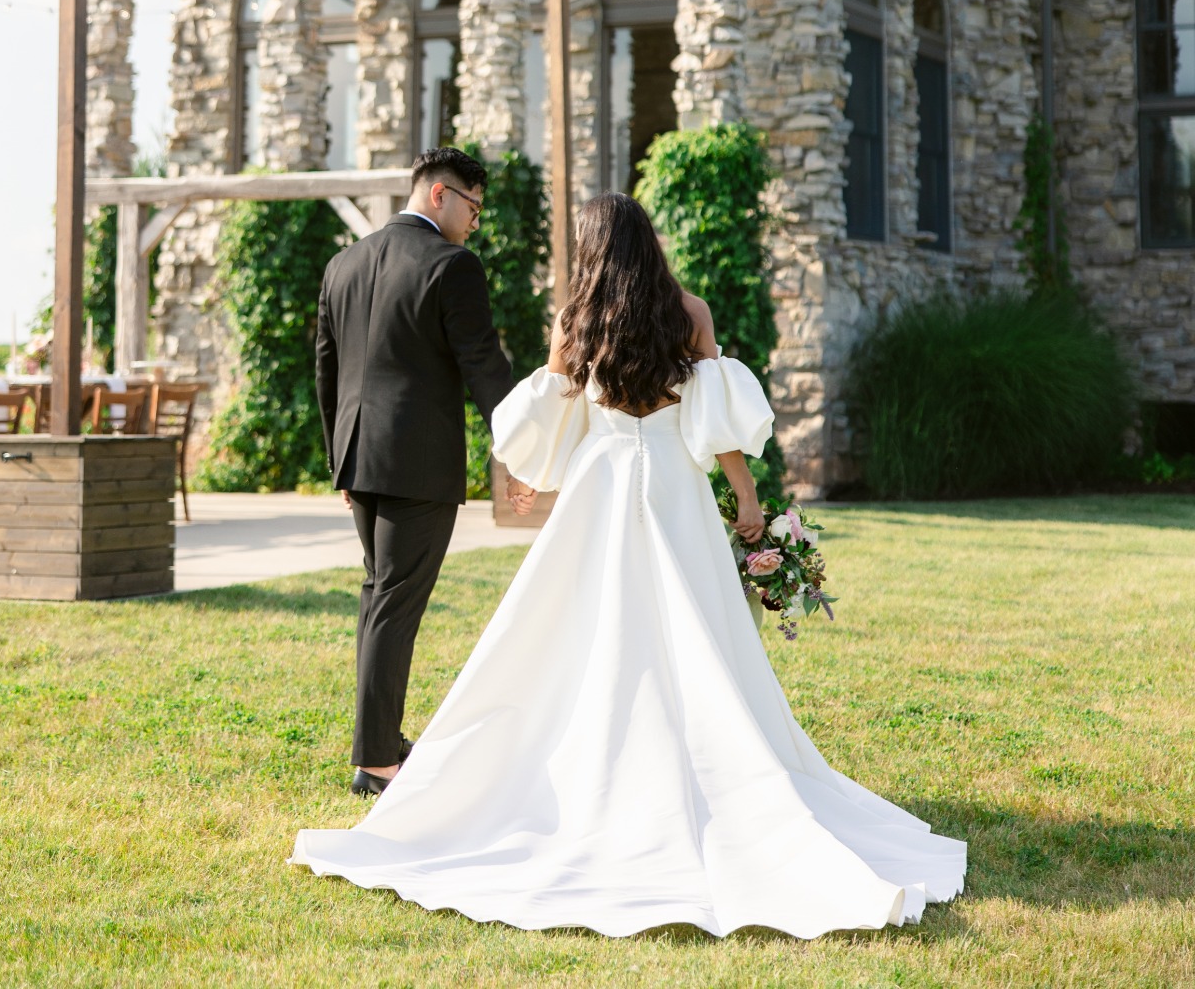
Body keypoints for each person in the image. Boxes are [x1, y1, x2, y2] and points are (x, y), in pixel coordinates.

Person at [294, 192, 966, 938]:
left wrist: (527, 471)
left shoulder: (576, 321)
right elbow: (717, 421)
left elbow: (550, 413)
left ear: (592, 250)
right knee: (695, 637)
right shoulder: (688, 313)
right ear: (648, 243)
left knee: (584, 635)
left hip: (601, 489)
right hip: (675, 490)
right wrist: (745, 496)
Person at [314, 145, 515, 796]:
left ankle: (381, 743)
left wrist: (338, 460)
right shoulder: (453, 266)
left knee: (381, 599)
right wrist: (519, 448)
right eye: (473, 207)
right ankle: (376, 761)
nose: (474, 223)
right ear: (439, 194)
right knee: (392, 607)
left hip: (361, 459)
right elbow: (484, 366)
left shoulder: (343, 262)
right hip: (417, 466)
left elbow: (326, 370)